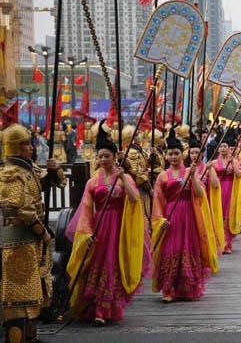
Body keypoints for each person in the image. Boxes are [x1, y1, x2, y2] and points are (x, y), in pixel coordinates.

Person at [65, 120, 147, 325]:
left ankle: (108, 307)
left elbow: (135, 200)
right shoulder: (92, 182)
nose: (102, 159)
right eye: (100, 156)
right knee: (99, 265)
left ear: (115, 157)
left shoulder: (124, 178)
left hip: (119, 227)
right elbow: (85, 210)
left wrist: (124, 179)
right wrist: (86, 233)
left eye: (106, 156)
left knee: (114, 264)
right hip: (100, 227)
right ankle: (98, 309)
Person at [0, 123, 66, 343]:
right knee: (16, 295)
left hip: (31, 242)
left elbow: (45, 184)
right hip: (17, 241)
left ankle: (29, 335)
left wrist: (54, 169)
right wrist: (42, 232)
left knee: (32, 290)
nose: (31, 147)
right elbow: (19, 209)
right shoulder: (11, 174)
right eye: (26, 144)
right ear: (16, 147)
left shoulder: (28, 170)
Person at [151, 128, 218, 302]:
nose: (173, 157)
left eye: (176, 153)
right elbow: (157, 201)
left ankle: (187, 288)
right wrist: (160, 220)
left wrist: (194, 176)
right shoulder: (162, 177)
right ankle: (168, 288)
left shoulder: (190, 171)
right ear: (166, 156)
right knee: (170, 250)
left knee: (187, 248)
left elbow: (199, 194)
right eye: (170, 154)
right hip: (170, 217)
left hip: (189, 215)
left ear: (183, 154)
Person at [214, 132, 241, 254]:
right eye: (220, 146)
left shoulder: (234, 161)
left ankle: (227, 243)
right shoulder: (214, 162)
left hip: (230, 190)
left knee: (227, 215)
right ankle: (219, 243)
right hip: (217, 191)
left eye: (225, 146)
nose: (223, 148)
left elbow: (238, 175)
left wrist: (233, 163)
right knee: (218, 215)